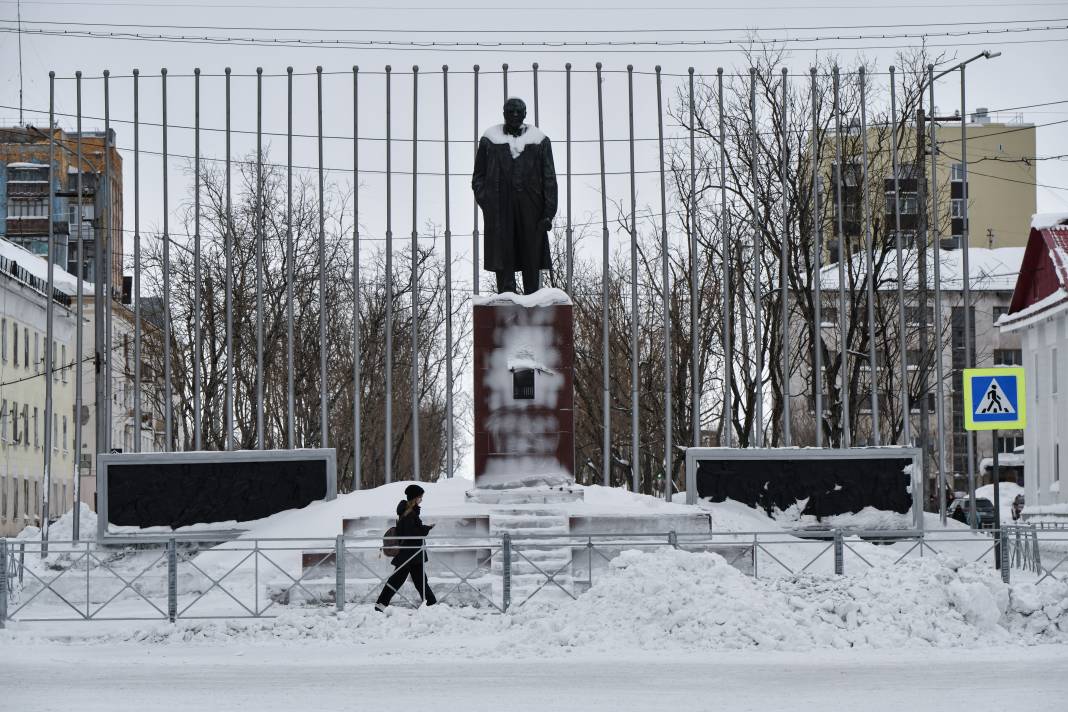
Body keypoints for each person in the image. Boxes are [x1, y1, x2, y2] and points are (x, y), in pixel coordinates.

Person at [471, 96, 558, 295]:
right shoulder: (490, 140)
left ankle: (532, 297)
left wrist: (548, 213)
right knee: (504, 252)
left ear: (525, 114)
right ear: (504, 114)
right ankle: (506, 296)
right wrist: (488, 202)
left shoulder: (539, 141)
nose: (515, 115)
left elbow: (550, 179)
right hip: (500, 208)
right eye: (511, 111)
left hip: (531, 208)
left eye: (519, 111)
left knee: (531, 254)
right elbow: (478, 177)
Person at [375, 484, 437, 611]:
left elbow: (412, 530)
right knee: (398, 581)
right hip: (409, 554)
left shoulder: (409, 512)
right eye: (420, 497)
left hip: (412, 553)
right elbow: (412, 533)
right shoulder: (409, 513)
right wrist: (426, 528)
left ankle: (432, 605)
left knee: (419, 582)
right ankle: (380, 605)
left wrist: (424, 528)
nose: (421, 499)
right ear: (415, 497)